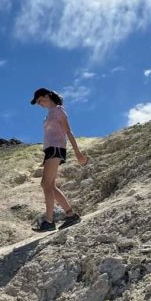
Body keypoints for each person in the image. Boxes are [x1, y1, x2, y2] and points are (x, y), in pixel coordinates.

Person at [30, 88, 88, 232]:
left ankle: (49, 221)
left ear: (47, 95)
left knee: (45, 184)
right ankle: (70, 214)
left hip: (56, 148)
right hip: (51, 150)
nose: (39, 104)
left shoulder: (58, 110)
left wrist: (78, 153)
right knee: (50, 186)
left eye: (40, 100)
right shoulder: (50, 113)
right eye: (37, 102)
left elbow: (68, 131)